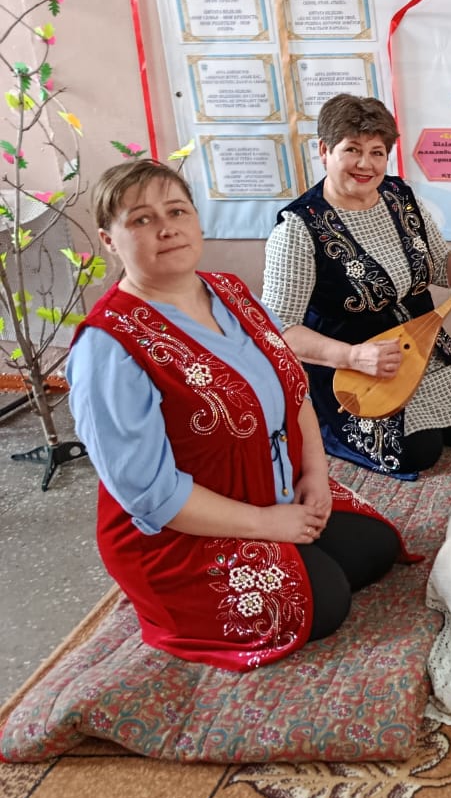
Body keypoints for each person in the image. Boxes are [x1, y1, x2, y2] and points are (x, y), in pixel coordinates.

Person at [67, 159, 411, 671]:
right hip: (182, 533)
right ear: (109, 240)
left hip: (271, 489)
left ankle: (297, 542)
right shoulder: (109, 346)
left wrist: (315, 474)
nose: (166, 228)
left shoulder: (228, 292)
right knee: (323, 602)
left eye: (177, 211)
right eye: (141, 219)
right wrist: (267, 523)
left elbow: (293, 389)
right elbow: (150, 493)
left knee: (376, 548)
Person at [262, 94, 451, 478]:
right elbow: (279, 329)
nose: (365, 164)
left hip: (418, 349)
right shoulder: (298, 229)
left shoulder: (399, 197)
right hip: (352, 368)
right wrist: (353, 356)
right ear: (324, 151)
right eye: (352, 150)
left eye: (377, 152)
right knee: (419, 451)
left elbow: (441, 268)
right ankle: (322, 416)